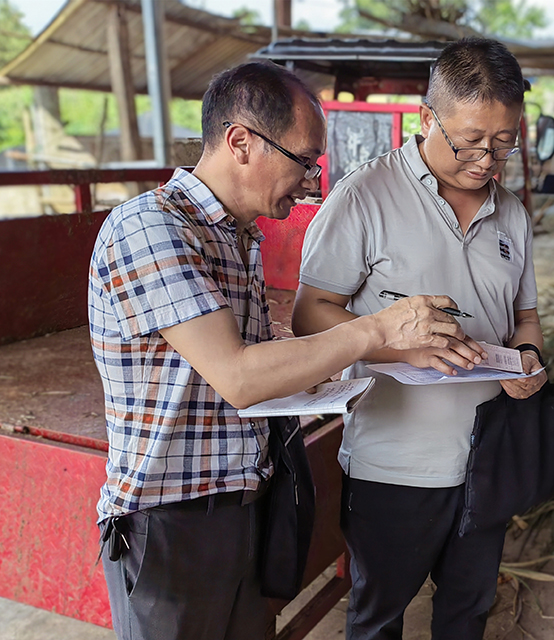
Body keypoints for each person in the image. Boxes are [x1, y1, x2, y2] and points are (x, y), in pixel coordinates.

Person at [88, 61, 478, 640]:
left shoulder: (237, 237)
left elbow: (260, 366)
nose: (310, 181)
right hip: (172, 521)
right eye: (303, 161)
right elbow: (238, 377)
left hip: (244, 506)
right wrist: (378, 328)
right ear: (240, 142)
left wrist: (388, 355)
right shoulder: (150, 228)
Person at [292, 37, 547, 640]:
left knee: (467, 613)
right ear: (428, 116)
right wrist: (393, 343)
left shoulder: (510, 212)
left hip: (487, 460)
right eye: (470, 140)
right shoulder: (364, 196)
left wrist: (531, 360)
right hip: (394, 463)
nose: (487, 159)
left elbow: (527, 319)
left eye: (504, 142)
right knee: (379, 617)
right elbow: (309, 316)